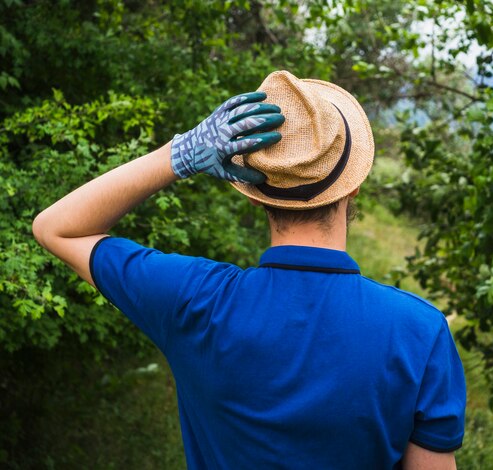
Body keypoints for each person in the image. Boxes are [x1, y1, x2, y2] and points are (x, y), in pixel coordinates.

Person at [33, 70, 465, 469]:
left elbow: (56, 229)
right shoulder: (420, 332)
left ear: (254, 196)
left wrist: (179, 154)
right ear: (353, 186)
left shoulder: (192, 299)